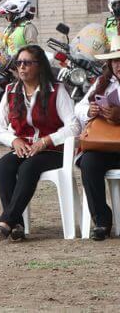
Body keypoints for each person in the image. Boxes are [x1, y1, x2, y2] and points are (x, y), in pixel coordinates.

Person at [0, 45, 79, 241]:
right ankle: (17, 226)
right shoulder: (11, 91)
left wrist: (47, 141)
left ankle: (7, 219)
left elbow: (74, 126)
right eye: (19, 63)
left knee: (28, 168)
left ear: (39, 66)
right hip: (25, 148)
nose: (21, 67)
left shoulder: (56, 90)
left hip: (54, 151)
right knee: (4, 166)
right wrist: (13, 140)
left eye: (27, 63)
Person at [74, 36, 120, 240]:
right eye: (116, 61)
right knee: (89, 162)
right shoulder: (103, 83)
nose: (119, 65)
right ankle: (101, 221)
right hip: (107, 145)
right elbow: (79, 107)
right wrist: (90, 110)